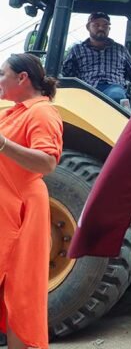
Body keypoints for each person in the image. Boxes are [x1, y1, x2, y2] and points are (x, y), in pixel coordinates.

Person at [0, 53, 64, 349]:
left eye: (3, 74)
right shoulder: (12, 112)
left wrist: (3, 143)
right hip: (5, 208)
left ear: (22, 78)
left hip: (22, 210)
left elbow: (47, 163)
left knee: (20, 292)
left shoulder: (42, 113)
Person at [61, 12, 131, 103]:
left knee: (116, 96)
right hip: (86, 89)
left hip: (114, 87)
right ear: (88, 27)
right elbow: (65, 74)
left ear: (109, 29)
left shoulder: (120, 50)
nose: (101, 28)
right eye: (96, 25)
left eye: (105, 25)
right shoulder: (77, 50)